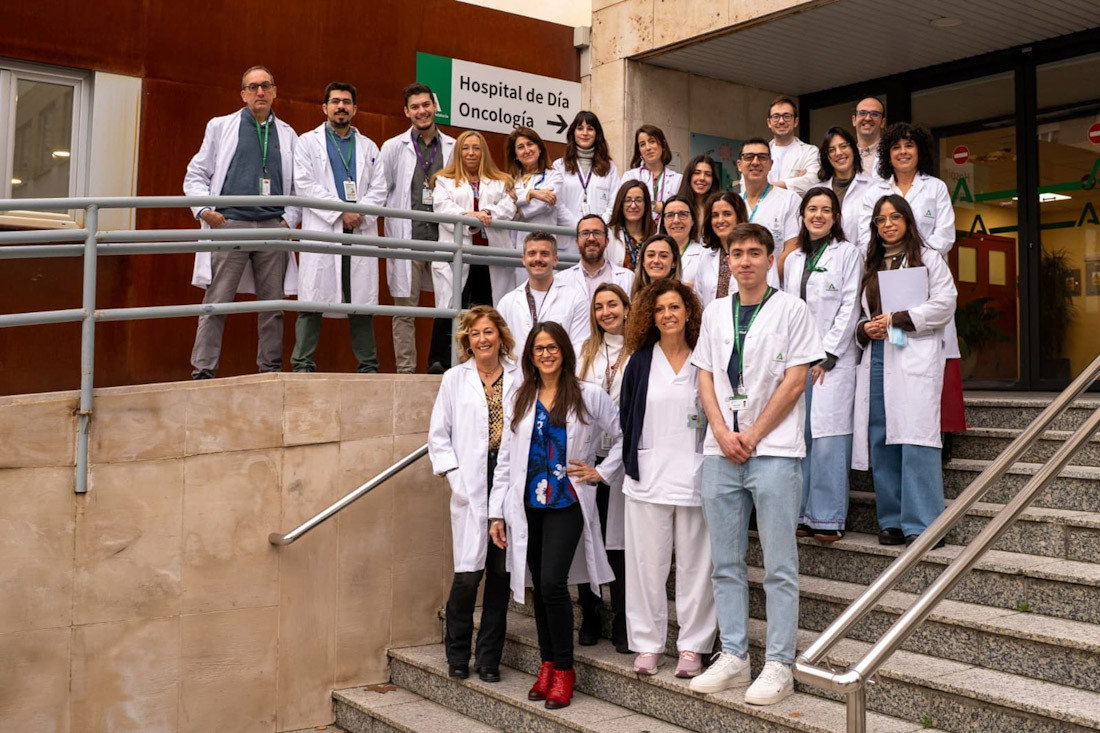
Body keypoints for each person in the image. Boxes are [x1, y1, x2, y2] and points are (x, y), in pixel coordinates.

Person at [688, 222, 823, 705]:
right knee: (725, 564)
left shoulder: (792, 309)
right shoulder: (715, 311)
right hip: (721, 450)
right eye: (736, 253)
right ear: (727, 261)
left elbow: (796, 380)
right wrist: (723, 432)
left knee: (779, 565)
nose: (744, 260)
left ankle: (780, 664)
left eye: (753, 253)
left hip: (774, 452)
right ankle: (734, 655)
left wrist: (753, 433)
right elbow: (705, 376)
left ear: (770, 259)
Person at [489, 322, 624, 710]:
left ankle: (564, 669)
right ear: (530, 356)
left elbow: (623, 434)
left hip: (568, 501)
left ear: (564, 351)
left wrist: (601, 472)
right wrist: (496, 513)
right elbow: (507, 460)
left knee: (552, 583)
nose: (546, 354)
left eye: (552, 347)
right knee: (539, 586)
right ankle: (546, 664)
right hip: (528, 506)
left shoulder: (587, 394)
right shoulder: (520, 396)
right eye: (539, 349)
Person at [618, 279, 716, 678]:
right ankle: (647, 643)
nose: (668, 315)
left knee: (696, 567)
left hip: (695, 476)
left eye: (674, 307)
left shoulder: (704, 358)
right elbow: (626, 415)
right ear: (650, 317)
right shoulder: (640, 361)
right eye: (659, 309)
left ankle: (693, 646)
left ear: (688, 312)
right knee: (646, 565)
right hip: (648, 476)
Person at [184, 65, 301, 379]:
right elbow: (196, 173)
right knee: (217, 301)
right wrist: (204, 211)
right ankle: (203, 371)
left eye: (265, 86)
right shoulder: (221, 126)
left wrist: (288, 221)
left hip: (272, 227)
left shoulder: (288, 134)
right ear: (243, 94)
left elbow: (297, 186)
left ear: (274, 92)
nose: (259, 92)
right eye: (253, 87)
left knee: (272, 306)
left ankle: (270, 371)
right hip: (231, 224)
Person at [852, 195, 956, 547]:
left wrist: (898, 319)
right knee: (882, 437)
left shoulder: (928, 258)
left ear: (908, 221)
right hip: (879, 355)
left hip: (912, 354)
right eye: (881, 220)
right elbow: (857, 313)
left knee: (916, 439)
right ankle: (892, 520)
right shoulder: (870, 263)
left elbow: (945, 303)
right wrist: (866, 328)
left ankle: (924, 524)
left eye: (895, 217)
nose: (888, 224)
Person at [428, 306, 519, 683]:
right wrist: (456, 479)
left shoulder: (520, 375)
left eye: (488, 332)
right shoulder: (454, 378)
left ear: (500, 336)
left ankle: (488, 659)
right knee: (467, 576)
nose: (482, 339)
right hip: (470, 480)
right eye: (475, 333)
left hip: (508, 478)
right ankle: (457, 654)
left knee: (499, 575)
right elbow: (438, 436)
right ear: (468, 340)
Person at [860, 123, 965, 443]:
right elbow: (866, 235)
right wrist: (892, 254)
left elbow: (945, 234)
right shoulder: (875, 191)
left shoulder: (935, 187)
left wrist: (914, 255)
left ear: (920, 151)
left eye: (909, 146)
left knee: (924, 367)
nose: (903, 152)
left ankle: (938, 438)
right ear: (887, 154)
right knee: (892, 358)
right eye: (896, 147)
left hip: (924, 278)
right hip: (885, 275)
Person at [781, 188, 861, 542]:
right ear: (802, 215)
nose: (818, 215)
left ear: (835, 217)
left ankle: (828, 517)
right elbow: (787, 309)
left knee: (829, 438)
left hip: (832, 361)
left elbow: (850, 305)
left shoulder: (848, 254)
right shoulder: (794, 258)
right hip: (799, 360)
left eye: (826, 210)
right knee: (802, 437)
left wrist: (828, 354)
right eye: (812, 209)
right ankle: (802, 513)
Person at [291, 82, 388, 373]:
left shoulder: (369, 147)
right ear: (325, 108)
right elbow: (304, 184)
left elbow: (380, 188)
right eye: (335, 101)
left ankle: (368, 366)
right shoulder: (307, 142)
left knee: (361, 301)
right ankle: (302, 364)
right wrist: (340, 211)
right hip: (325, 227)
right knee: (313, 299)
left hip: (358, 229)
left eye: (346, 102)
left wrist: (358, 214)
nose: (341, 106)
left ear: (355, 109)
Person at [380, 83, 456, 374]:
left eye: (426, 105)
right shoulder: (393, 147)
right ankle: (406, 372)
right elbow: (382, 189)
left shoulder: (452, 147)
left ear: (435, 107)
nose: (421, 111)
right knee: (405, 310)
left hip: (443, 239)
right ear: (406, 112)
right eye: (415, 107)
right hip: (408, 238)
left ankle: (446, 366)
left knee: (449, 307)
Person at [575, 283, 632, 653]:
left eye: (613, 304)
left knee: (619, 545)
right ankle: (591, 614)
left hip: (626, 457)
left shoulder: (640, 350)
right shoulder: (585, 351)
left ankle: (623, 621)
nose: (606, 312)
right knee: (587, 537)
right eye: (599, 307)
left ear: (626, 308)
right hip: (588, 456)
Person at [431, 130, 516, 368]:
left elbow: (508, 207)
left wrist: (488, 213)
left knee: (487, 310)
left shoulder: (501, 181)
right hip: (458, 254)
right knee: (452, 307)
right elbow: (442, 208)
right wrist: (469, 217)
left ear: (484, 152)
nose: (471, 153)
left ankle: (490, 360)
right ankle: (441, 361)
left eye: (476, 148)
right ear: (458, 152)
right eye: (465, 148)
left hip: (489, 257)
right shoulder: (444, 181)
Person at [496, 232, 591, 349]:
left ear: (555, 260)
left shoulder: (575, 300)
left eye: (544, 254)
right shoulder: (507, 303)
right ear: (524, 259)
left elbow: (580, 348)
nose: (538, 259)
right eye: (532, 253)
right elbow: (502, 349)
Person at [696, 191, 779, 309]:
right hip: (713, 319)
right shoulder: (706, 256)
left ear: (738, 216)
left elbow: (771, 294)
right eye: (715, 215)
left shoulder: (759, 252)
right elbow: (699, 297)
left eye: (727, 214)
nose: (720, 220)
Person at [553, 111, 621, 254]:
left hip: (598, 239)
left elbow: (615, 202)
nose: (585, 133)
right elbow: (556, 202)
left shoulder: (610, 168)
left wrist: (598, 227)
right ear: (573, 133)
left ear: (597, 134)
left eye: (590, 129)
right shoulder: (559, 166)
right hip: (568, 237)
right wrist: (578, 226)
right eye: (580, 128)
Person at [737, 138, 799, 281]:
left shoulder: (789, 200)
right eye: (749, 157)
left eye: (762, 157)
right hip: (739, 283)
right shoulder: (734, 203)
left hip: (774, 284)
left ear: (771, 164)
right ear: (739, 165)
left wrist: (766, 282)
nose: (755, 162)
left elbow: (792, 248)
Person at [815, 126, 877, 252]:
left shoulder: (874, 188)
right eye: (831, 150)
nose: (838, 153)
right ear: (827, 157)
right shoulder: (816, 191)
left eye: (843, 146)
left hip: (865, 259)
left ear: (853, 149)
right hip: (823, 260)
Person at [507, 127, 564, 257]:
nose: (527, 150)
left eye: (530, 144)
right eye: (520, 147)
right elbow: (505, 203)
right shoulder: (510, 180)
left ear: (539, 148)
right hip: (515, 246)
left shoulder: (554, 176)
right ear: (516, 155)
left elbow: (545, 203)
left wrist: (515, 210)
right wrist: (532, 193)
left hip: (542, 244)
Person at [556, 214, 635, 300]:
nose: (591, 238)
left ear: (607, 241)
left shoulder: (627, 278)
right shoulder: (561, 280)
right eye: (585, 233)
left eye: (597, 233)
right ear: (577, 242)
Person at [621, 125, 682, 219]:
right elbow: (623, 206)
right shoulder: (630, 176)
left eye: (652, 141)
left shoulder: (677, 179)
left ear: (663, 144)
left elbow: (682, 209)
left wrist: (643, 203)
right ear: (639, 150)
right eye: (642, 144)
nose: (648, 148)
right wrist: (657, 206)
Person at [765, 96, 820, 195]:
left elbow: (813, 180)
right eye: (776, 116)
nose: (781, 121)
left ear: (795, 122)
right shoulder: (759, 154)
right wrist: (796, 182)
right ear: (769, 122)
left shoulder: (810, 152)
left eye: (787, 116)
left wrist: (768, 187)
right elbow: (747, 186)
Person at [606, 181, 656, 271]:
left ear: (646, 205)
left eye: (638, 200)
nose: (633, 205)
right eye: (628, 200)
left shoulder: (655, 234)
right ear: (620, 205)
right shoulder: (609, 235)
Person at [658, 195, 703, 286]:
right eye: (670, 215)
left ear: (693, 220)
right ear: (663, 222)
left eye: (683, 214)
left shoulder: (704, 254)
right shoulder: (653, 253)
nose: (676, 220)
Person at [676, 154, 720, 238]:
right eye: (697, 173)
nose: (702, 178)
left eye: (708, 174)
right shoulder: (676, 206)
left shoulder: (719, 207)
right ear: (689, 176)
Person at [852, 96, 886, 178]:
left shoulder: (891, 154)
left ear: (882, 122)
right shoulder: (845, 156)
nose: (868, 118)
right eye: (862, 113)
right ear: (854, 120)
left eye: (874, 114)